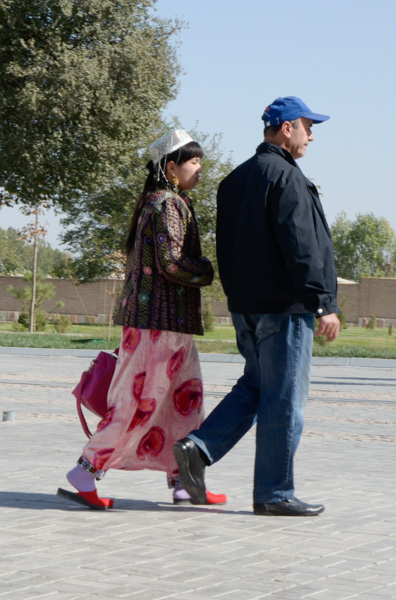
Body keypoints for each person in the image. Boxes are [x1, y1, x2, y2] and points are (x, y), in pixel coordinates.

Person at [174, 97, 340, 517]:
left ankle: (199, 447)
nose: (312, 134)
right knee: (284, 399)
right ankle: (274, 493)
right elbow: (301, 245)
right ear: (287, 128)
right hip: (286, 310)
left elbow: (226, 249)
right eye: (307, 126)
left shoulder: (235, 180)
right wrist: (322, 303)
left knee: (258, 386)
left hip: (246, 308)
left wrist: (238, 301)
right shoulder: (286, 177)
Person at [57, 129, 226, 509]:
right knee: (139, 405)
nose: (201, 168)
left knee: (185, 403)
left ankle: (184, 481)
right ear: (171, 167)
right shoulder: (166, 203)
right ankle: (85, 471)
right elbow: (173, 264)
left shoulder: (166, 201)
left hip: (170, 325)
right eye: (193, 161)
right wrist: (209, 270)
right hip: (158, 326)